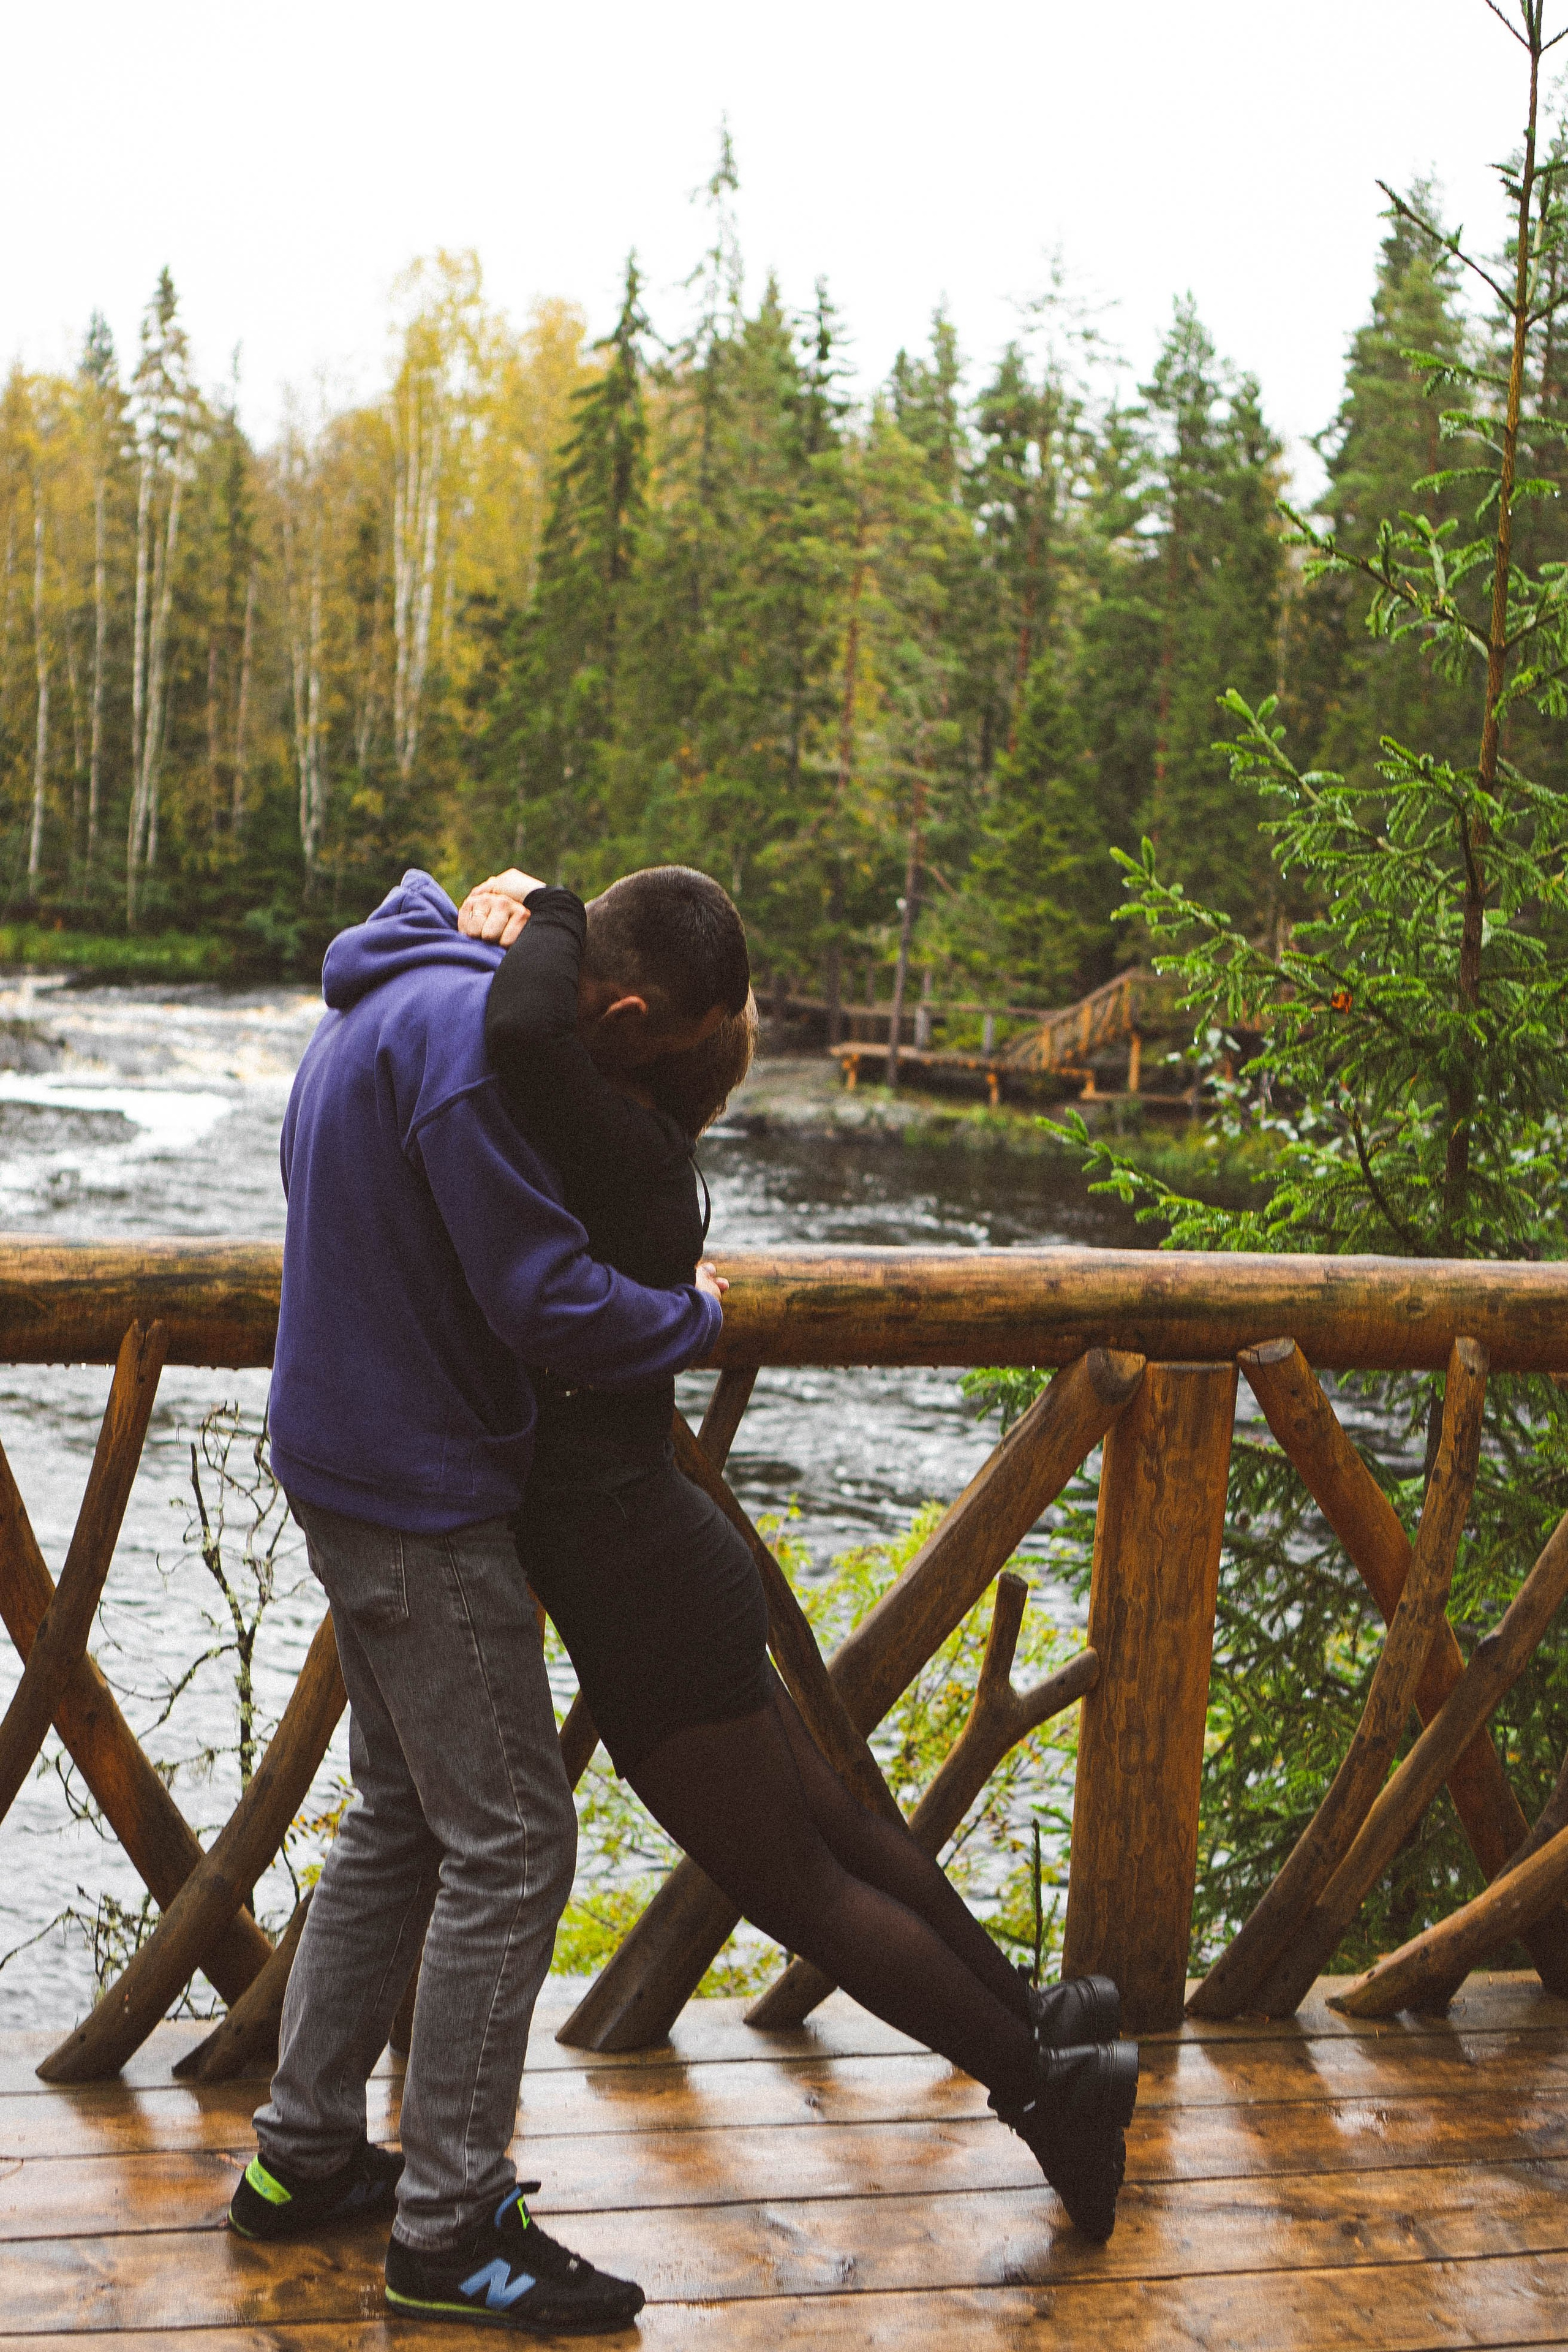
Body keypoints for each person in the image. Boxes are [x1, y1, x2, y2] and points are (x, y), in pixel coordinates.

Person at [465, 873, 1139, 2246]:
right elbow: (546, 1031)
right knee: (844, 1833)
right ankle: (1045, 2022)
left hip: (638, 1579)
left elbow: (522, 1031)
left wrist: (545, 902)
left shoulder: (603, 1139)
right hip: (664, 1552)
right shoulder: (644, 1150)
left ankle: (1040, 2086)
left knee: (807, 1891)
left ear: (629, 1024)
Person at [226, 864, 748, 2337]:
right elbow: (545, 1300)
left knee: (403, 1815)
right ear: (627, 1016)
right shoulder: (468, 1054)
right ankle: (450, 2231)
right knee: (516, 1842)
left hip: (343, 1451)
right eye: (653, 1056)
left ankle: (303, 2155)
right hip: (416, 1490)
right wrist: (697, 1313)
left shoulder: (395, 980)